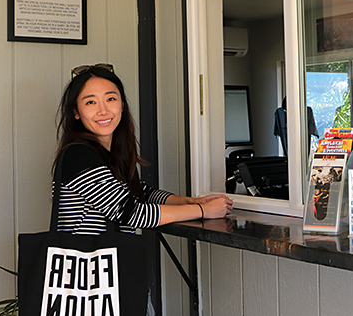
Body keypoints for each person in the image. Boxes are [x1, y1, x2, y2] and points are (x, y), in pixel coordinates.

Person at [53, 63, 233, 234]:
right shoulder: (78, 156)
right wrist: (201, 210)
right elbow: (130, 213)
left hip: (109, 262)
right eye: (90, 102)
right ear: (75, 112)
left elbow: (141, 193)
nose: (103, 110)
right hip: (88, 266)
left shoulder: (108, 154)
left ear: (122, 105)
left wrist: (190, 201)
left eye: (110, 99)